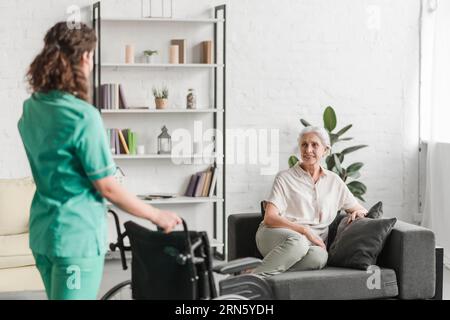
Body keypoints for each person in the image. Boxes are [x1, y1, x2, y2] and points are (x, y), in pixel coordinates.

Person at [17, 22, 182, 300]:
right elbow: (107, 186)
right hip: (75, 238)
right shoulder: (83, 116)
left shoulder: (33, 107)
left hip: (43, 234)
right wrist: (157, 214)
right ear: (85, 58)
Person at [253, 126, 368, 277]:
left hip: (310, 247)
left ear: (325, 150)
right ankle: (251, 279)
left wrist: (359, 212)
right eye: (304, 145)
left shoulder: (334, 181)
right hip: (274, 236)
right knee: (299, 242)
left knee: (320, 257)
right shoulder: (285, 177)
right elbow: (270, 218)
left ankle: (267, 268)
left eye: (314, 145)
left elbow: (359, 209)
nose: (308, 150)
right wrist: (305, 231)